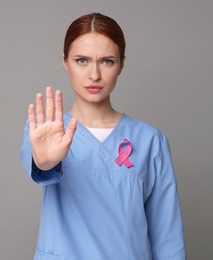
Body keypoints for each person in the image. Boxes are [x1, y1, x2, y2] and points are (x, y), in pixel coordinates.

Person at [20, 12, 186, 260]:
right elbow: (40, 164)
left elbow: (167, 237)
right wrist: (44, 161)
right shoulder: (46, 131)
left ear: (121, 64)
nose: (94, 75)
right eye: (82, 60)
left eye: (107, 61)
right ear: (65, 61)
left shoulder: (150, 141)